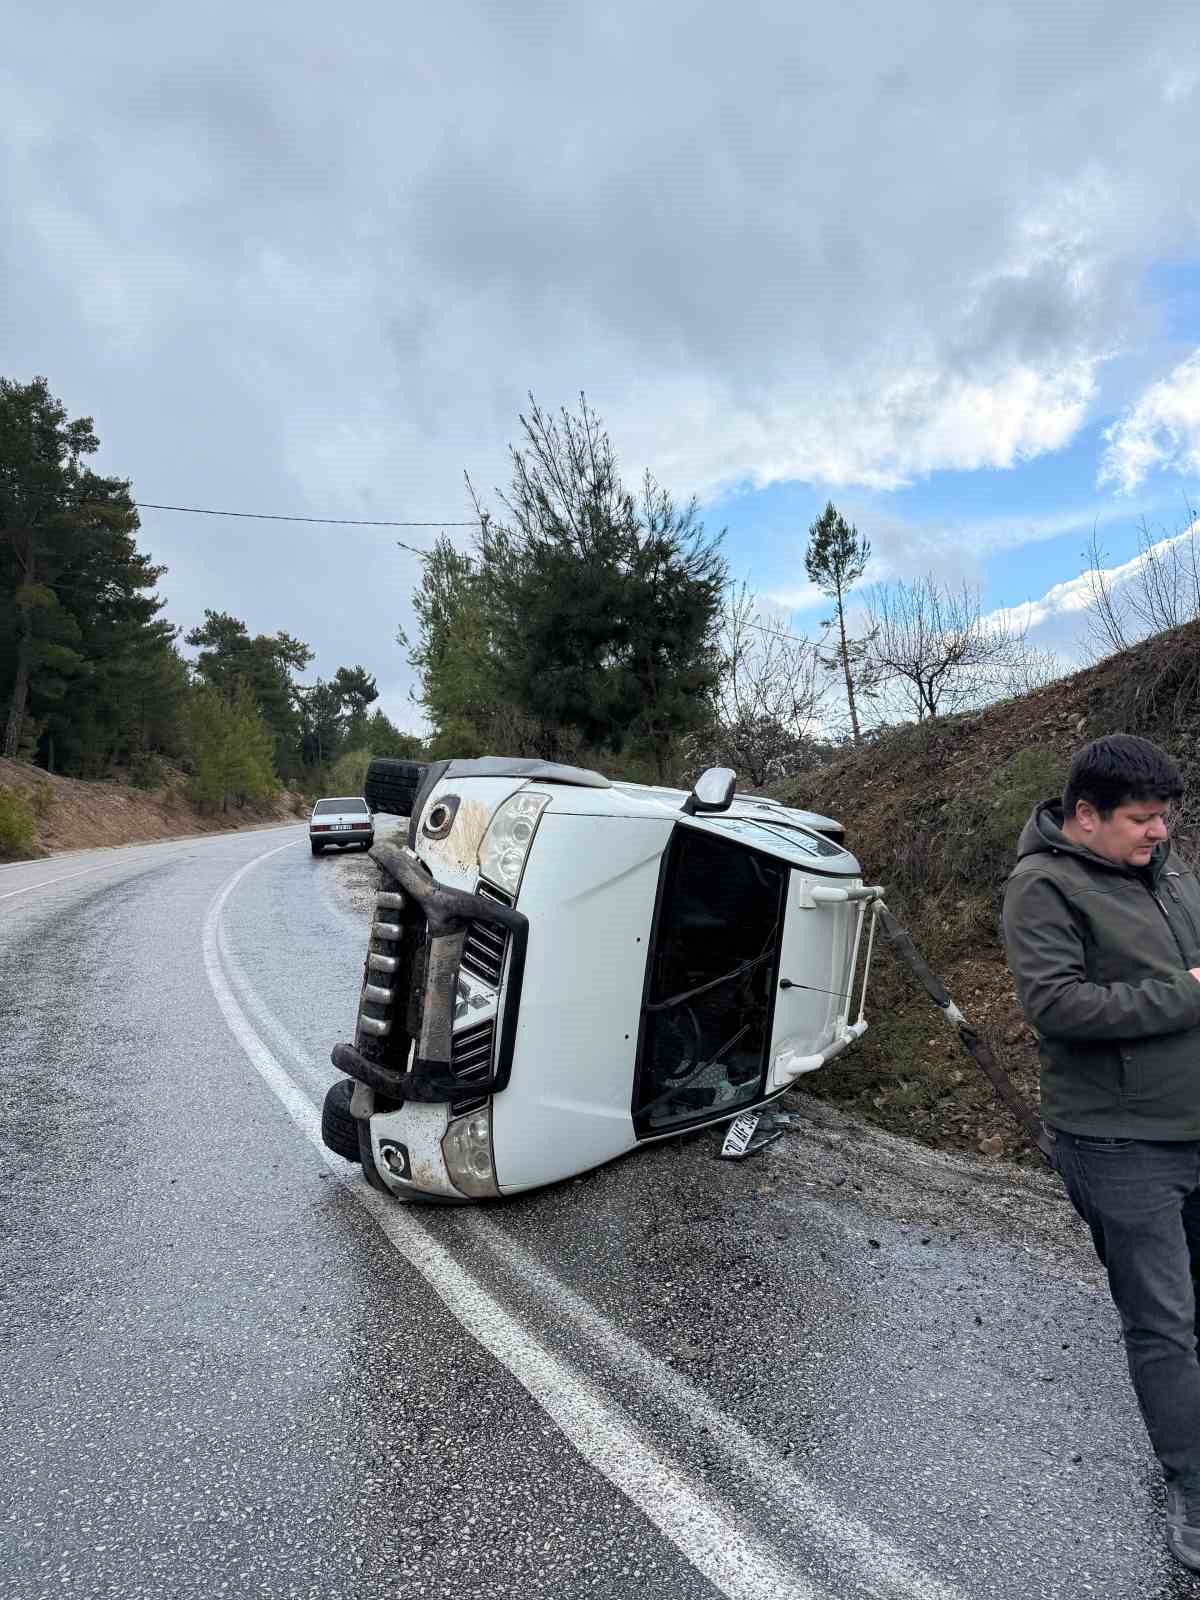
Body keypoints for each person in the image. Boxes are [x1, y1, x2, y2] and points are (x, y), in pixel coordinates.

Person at [1003, 734, 1200, 1571]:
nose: (1161, 834)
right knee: (1165, 1322)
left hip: (1193, 1121)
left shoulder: (1168, 870)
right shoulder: (1042, 886)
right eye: (1143, 820)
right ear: (1086, 815)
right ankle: (1193, 1487)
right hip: (1120, 1141)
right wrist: (1186, 996)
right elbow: (1058, 1007)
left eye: (1168, 819)